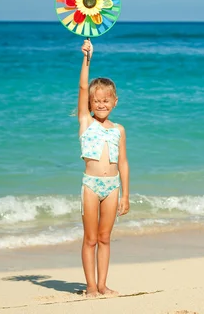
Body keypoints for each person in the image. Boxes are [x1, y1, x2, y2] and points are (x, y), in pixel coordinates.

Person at [77, 39, 130, 297]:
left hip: (112, 188)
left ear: (115, 102)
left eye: (106, 101)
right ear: (90, 102)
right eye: (96, 101)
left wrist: (126, 195)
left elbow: (123, 163)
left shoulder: (119, 130)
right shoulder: (86, 122)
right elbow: (82, 86)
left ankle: (102, 285)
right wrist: (87, 59)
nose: (101, 104)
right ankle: (90, 287)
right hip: (91, 185)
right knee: (90, 239)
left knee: (105, 238)